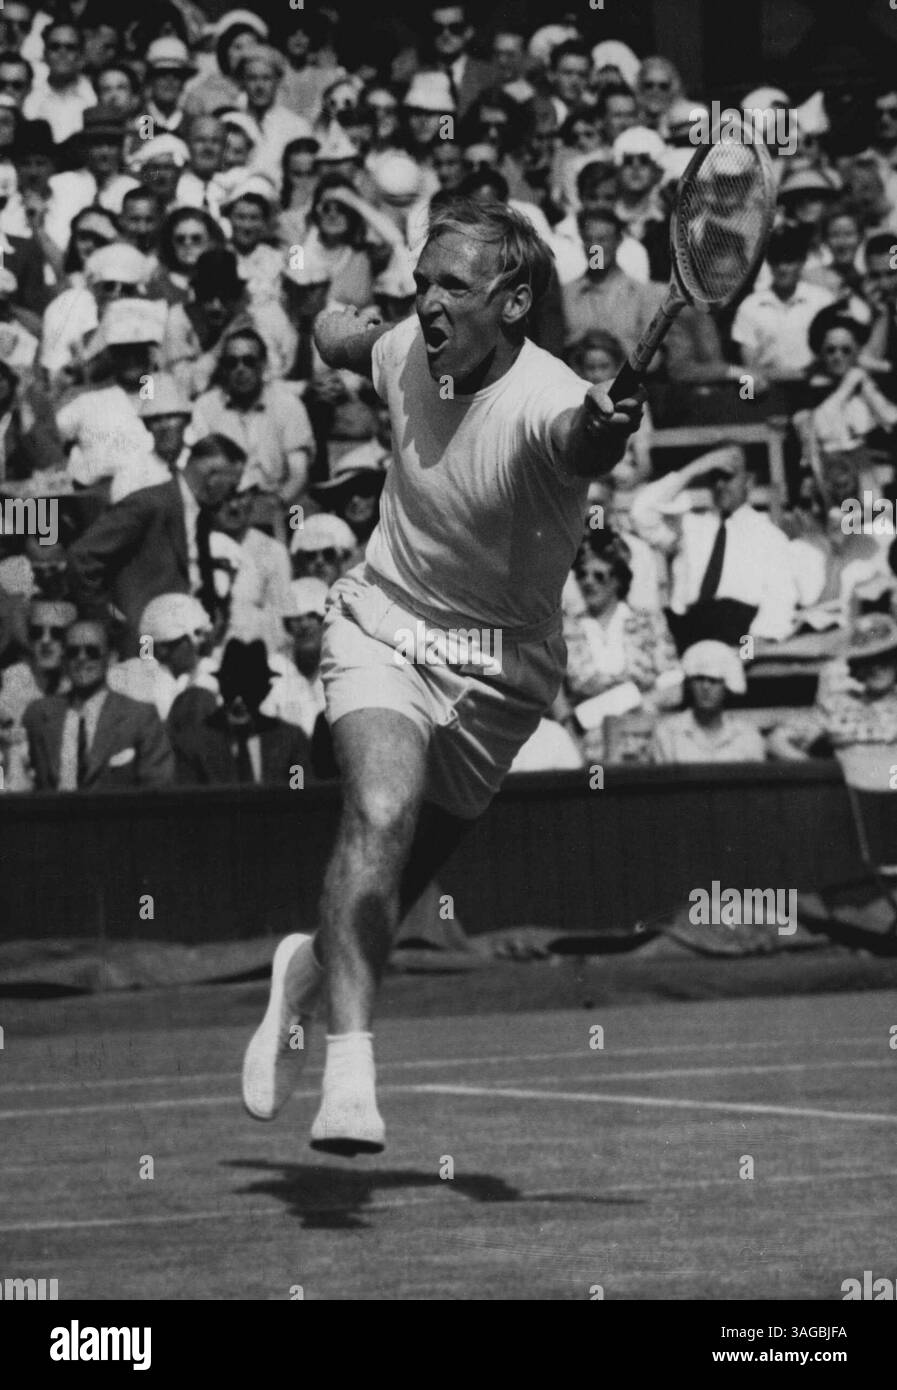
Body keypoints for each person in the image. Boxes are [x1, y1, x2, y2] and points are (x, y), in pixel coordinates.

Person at [241, 196, 644, 1153]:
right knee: (379, 812)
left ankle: (301, 971)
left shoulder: (551, 401)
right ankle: (349, 1075)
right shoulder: (406, 350)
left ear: (511, 303)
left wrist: (606, 431)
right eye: (421, 282)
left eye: (451, 286)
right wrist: (333, 328)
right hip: (384, 624)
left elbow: (581, 441)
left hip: (503, 674)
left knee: (397, 878)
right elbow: (353, 340)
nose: (427, 301)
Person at [67, 433, 246, 651]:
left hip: (185, 642)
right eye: (232, 485)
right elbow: (82, 557)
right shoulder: (150, 505)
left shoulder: (200, 515)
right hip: (144, 643)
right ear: (212, 476)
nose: (231, 495)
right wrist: (112, 622)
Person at [630, 444, 798, 649]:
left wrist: (745, 655)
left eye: (727, 477)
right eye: (713, 477)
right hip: (688, 632)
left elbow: (778, 604)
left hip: (737, 636)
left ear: (749, 480)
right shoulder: (691, 525)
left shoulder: (770, 537)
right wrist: (696, 468)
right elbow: (641, 513)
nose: (719, 484)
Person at [23, 616, 174, 789]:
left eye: (92, 651)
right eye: (73, 652)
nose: (82, 658)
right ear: (64, 659)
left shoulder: (140, 718)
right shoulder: (38, 715)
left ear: (110, 657)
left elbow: (158, 786)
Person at [168, 636, 310, 786]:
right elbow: (190, 800)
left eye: (249, 691)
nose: (239, 701)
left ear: (264, 691)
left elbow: (300, 791)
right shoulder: (193, 745)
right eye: (232, 689)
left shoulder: (290, 742)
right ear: (222, 688)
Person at [731, 224, 834, 383]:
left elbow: (833, 353)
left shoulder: (823, 300)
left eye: (789, 260)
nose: (782, 268)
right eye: (776, 260)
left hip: (816, 386)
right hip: (771, 391)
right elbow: (749, 366)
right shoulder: (750, 306)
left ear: (802, 261)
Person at [561, 202, 664, 356]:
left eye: (603, 240)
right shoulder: (566, 294)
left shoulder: (644, 295)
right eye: (589, 240)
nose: (595, 249)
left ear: (618, 241)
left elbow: (656, 358)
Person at [653, 640, 765, 763]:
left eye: (714, 681)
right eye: (699, 679)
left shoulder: (746, 735)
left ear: (726, 686)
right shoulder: (669, 733)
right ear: (689, 684)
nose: (705, 687)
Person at [108, 591, 214, 720]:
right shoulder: (131, 681)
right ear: (163, 648)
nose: (201, 644)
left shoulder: (200, 673)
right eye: (195, 635)